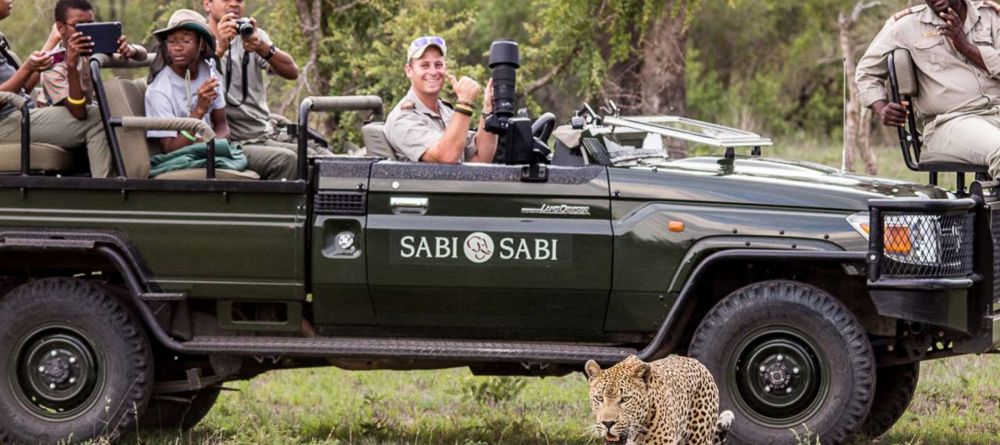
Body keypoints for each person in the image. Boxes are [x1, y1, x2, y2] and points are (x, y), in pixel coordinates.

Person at [856, 0, 1000, 178]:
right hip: (950, 122)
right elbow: (866, 73)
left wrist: (966, 47)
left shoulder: (991, 16)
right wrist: (881, 107)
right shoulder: (905, 26)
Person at [145, 9, 294, 180]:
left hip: (216, 149)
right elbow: (170, 149)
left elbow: (222, 125)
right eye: (171, 42)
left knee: (304, 156)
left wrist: (214, 144)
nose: (178, 47)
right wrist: (199, 111)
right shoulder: (159, 91)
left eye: (186, 40)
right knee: (286, 160)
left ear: (201, 45)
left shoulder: (208, 71)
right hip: (186, 156)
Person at [0, 0, 117, 177]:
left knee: (107, 108)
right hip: (6, 122)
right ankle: (106, 193)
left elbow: (22, 88)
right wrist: (27, 67)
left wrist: (51, 43)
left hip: (19, 114)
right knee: (96, 118)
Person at [203, 0, 328, 160]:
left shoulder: (250, 34)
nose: (234, 4)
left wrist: (261, 47)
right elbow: (195, 87)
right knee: (297, 159)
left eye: (240, 0)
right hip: (231, 139)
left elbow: (292, 72)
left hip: (262, 133)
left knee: (319, 156)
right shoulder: (199, 40)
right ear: (207, 4)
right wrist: (220, 49)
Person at [39, 0, 146, 176]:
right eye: (79, 26)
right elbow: (79, 112)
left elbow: (142, 55)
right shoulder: (53, 64)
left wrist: (130, 50)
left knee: (133, 89)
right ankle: (103, 183)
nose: (86, 32)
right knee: (98, 116)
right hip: (64, 122)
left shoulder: (91, 49)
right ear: (61, 27)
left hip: (84, 115)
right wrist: (72, 66)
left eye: (91, 25)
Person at [383, 35, 497, 163]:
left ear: (446, 68)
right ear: (409, 70)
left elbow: (480, 159)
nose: (433, 72)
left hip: (457, 183)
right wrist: (465, 103)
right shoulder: (402, 118)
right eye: (424, 66)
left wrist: (489, 111)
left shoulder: (446, 111)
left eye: (438, 65)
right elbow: (446, 157)